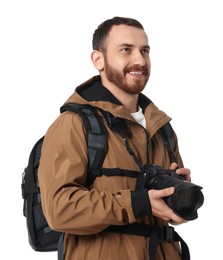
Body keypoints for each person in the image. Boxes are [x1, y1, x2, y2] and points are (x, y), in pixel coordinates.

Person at [38, 16, 191, 260]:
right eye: (126, 50)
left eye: (145, 51)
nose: (139, 60)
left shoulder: (161, 128)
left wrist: (176, 198)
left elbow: (163, 215)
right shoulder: (73, 124)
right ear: (98, 59)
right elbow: (59, 210)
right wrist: (138, 203)